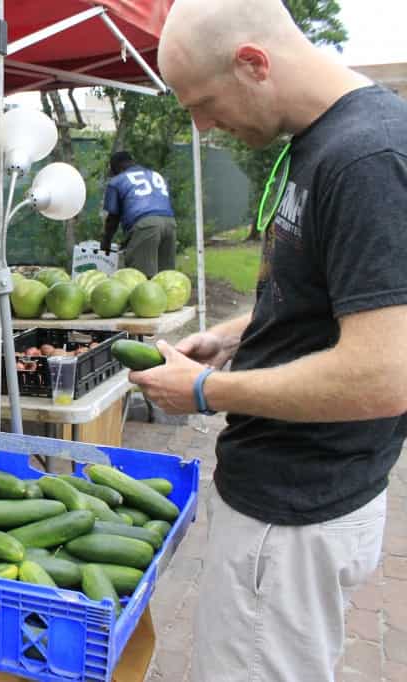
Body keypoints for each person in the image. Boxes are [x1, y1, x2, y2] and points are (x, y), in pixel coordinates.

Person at [132, 1, 407, 680]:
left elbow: (383, 373)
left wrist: (202, 390)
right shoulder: (323, 141)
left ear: (253, 63)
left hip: (293, 516)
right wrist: (232, 336)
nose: (201, 125)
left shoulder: (367, 157)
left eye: (202, 102)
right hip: (289, 502)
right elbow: (323, 296)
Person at [100, 150, 177, 278]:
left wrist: (106, 242)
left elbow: (113, 217)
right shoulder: (156, 175)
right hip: (170, 222)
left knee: (140, 278)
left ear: (116, 167)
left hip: (145, 225)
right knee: (166, 277)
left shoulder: (117, 181)